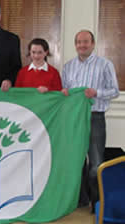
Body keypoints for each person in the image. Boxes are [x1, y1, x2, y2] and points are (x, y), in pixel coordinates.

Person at [62, 30, 119, 213]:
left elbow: (115, 91)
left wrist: (96, 93)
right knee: (76, 161)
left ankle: (97, 203)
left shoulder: (105, 64)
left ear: (93, 44)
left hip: (95, 117)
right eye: (78, 42)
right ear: (75, 45)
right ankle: (80, 200)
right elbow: (66, 92)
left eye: (85, 42)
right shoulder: (68, 66)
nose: (82, 45)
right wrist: (64, 93)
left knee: (96, 163)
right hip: (74, 119)